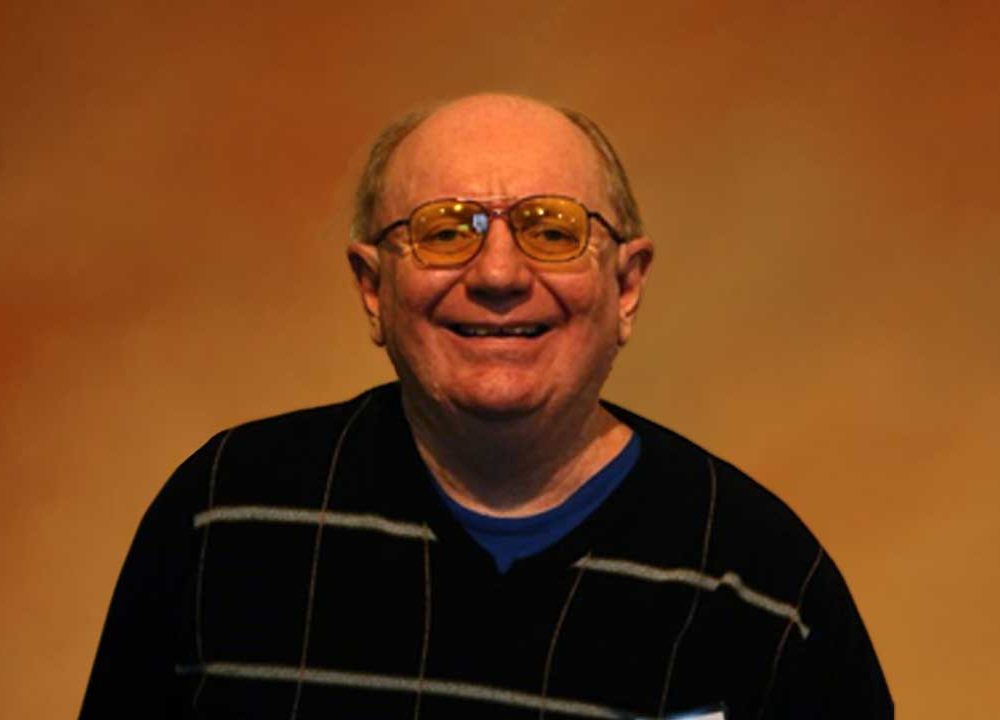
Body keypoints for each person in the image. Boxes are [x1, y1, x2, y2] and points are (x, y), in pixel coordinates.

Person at [80, 94, 892, 719]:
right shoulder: (223, 515)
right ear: (373, 288)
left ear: (626, 286)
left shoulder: (764, 586)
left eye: (552, 231)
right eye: (445, 232)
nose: (498, 274)